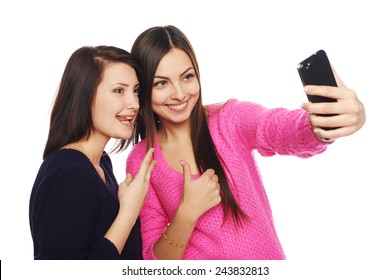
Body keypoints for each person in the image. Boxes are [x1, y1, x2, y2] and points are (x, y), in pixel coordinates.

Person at [126, 25, 366, 260]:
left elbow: (276, 127)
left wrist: (324, 124)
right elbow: (154, 261)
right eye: (161, 83)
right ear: (144, 88)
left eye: (187, 77)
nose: (179, 93)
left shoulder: (229, 119)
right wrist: (186, 214)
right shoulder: (141, 160)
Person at [29, 46, 156, 260]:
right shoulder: (69, 173)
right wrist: (129, 211)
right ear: (84, 96)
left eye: (135, 91)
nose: (134, 104)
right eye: (118, 90)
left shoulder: (101, 163)